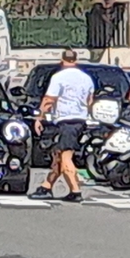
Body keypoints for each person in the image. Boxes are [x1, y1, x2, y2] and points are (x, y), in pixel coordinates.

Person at [33, 48, 96, 201]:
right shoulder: (86, 78)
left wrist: (39, 118)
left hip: (66, 120)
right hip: (80, 120)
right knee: (58, 156)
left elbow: (49, 100)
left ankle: (75, 191)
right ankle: (46, 187)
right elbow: (90, 101)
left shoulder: (58, 77)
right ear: (76, 60)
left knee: (65, 155)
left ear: (62, 60)